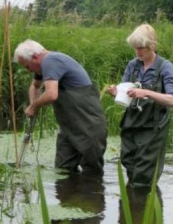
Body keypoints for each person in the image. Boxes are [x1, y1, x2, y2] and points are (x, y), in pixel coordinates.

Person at [14, 39, 107, 176]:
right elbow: (35, 86)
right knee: (63, 170)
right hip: (68, 127)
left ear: (35, 57)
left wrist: (34, 106)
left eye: (27, 66)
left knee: (91, 172)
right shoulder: (42, 66)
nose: (28, 71)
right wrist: (33, 105)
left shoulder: (51, 61)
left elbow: (51, 94)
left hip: (88, 123)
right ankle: (67, 196)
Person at [108, 24, 173, 187]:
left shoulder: (165, 67)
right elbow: (125, 94)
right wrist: (116, 92)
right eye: (135, 48)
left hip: (153, 127)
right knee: (128, 161)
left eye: (141, 48)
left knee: (144, 172)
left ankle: (142, 203)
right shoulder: (133, 65)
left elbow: (172, 100)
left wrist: (146, 92)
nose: (138, 52)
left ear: (152, 46)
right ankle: (131, 206)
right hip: (131, 122)